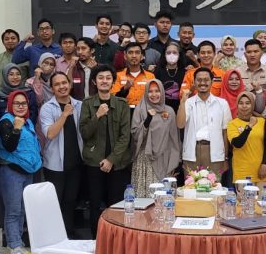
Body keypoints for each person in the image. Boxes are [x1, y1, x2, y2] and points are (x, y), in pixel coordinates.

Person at [80, 65, 133, 238]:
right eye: (101, 78)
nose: (104, 81)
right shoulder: (87, 103)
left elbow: (125, 136)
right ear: (94, 82)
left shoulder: (122, 104)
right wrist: (97, 116)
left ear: (113, 82)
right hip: (94, 163)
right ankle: (97, 240)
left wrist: (111, 159)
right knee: (95, 204)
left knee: (116, 204)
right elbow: (85, 133)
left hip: (118, 164)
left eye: (108, 78)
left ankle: (115, 240)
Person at [0, 90, 42, 254]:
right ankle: (14, 248)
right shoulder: (6, 122)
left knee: (22, 210)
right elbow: (9, 146)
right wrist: (16, 128)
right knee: (13, 211)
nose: (21, 106)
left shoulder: (27, 121)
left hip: (27, 170)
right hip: (11, 170)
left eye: (24, 103)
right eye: (17, 103)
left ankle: (18, 244)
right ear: (10, 104)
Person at [40, 72, 84, 238]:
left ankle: (68, 234)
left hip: (76, 162)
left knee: (70, 201)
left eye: (64, 83)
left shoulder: (80, 105)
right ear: (52, 89)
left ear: (70, 84)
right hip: (55, 164)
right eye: (57, 84)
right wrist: (64, 114)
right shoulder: (47, 108)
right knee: (54, 202)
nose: (62, 87)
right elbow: (50, 134)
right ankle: (52, 237)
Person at [130, 79, 181, 198]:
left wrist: (175, 161)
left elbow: (174, 139)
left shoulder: (169, 111)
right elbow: (135, 135)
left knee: (163, 198)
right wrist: (148, 119)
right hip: (145, 160)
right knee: (145, 197)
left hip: (164, 159)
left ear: (162, 92)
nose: (154, 94)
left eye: (157, 91)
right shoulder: (140, 109)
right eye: (150, 91)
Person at [177, 67, 231, 174]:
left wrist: (225, 158)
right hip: (192, 152)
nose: (202, 83)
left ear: (212, 82)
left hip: (215, 153)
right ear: (194, 82)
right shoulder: (188, 103)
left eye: (206, 80)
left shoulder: (222, 103)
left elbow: (225, 133)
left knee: (214, 184)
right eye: (199, 80)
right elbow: (180, 124)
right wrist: (182, 102)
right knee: (191, 183)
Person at [227, 91, 266, 186]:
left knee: (264, 196)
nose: (244, 106)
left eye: (248, 103)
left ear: (252, 105)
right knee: (244, 197)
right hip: (242, 172)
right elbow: (237, 144)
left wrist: (265, 164)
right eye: (241, 103)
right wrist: (249, 126)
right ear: (237, 105)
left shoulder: (262, 121)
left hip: (262, 170)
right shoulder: (232, 124)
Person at [111, 42, 156, 107]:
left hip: (144, 110)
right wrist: (124, 89)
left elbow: (154, 98)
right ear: (125, 56)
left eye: (137, 52)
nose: (134, 56)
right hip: (124, 111)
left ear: (142, 56)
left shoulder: (150, 76)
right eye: (130, 53)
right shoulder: (118, 76)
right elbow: (113, 99)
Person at [154, 41, 188, 111]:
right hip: (162, 110)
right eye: (168, 53)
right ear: (164, 55)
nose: (171, 55)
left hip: (181, 109)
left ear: (179, 55)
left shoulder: (186, 72)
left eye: (174, 53)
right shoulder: (157, 72)